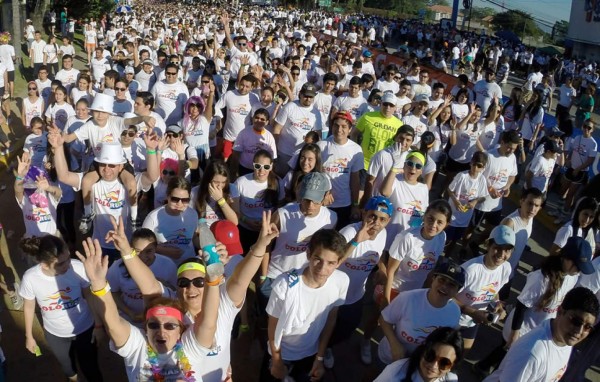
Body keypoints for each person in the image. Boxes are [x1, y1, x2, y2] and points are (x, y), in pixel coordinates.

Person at [75, 225, 221, 382]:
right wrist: (98, 284)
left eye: (170, 326)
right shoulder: (138, 348)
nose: (161, 331)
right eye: (153, 325)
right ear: (145, 328)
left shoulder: (190, 349)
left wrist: (213, 280)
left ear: (181, 330)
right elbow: (114, 325)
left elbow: (208, 324)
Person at [474, 237, 594, 376]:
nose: (579, 271)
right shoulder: (542, 278)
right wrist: (514, 336)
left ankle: (482, 366)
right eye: (578, 266)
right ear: (566, 258)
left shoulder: (571, 276)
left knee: (503, 352)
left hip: (538, 328)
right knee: (506, 364)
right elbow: (521, 306)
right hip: (521, 329)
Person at [261, 229, 350, 382]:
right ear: (308, 254)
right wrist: (276, 361)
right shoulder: (284, 285)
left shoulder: (342, 281)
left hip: (311, 355)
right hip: (281, 355)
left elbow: (330, 320)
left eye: (331, 263)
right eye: (318, 259)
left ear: (339, 262)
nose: (322, 269)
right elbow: (273, 327)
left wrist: (320, 357)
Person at [19, 235, 104, 382]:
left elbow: (89, 296)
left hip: (85, 329)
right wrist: (29, 336)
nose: (68, 265)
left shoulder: (77, 267)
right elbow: (29, 306)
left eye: (68, 259)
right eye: (61, 263)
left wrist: (98, 325)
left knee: (91, 368)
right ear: (45, 265)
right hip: (55, 335)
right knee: (68, 368)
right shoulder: (30, 278)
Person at [483, 287, 599, 382]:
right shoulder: (532, 354)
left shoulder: (565, 339)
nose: (579, 331)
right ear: (560, 312)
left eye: (588, 327)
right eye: (576, 322)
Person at [261, 172, 337, 300]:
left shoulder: (331, 219)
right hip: (276, 275)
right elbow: (265, 246)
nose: (310, 206)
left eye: (316, 201)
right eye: (307, 199)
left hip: (304, 278)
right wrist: (263, 276)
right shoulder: (282, 214)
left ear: (326, 196)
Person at [378, 258, 464, 365]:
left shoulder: (454, 312)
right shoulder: (408, 298)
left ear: (458, 290)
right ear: (433, 279)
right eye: (441, 280)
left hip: (421, 363)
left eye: (451, 284)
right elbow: (384, 320)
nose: (444, 287)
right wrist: (394, 344)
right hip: (391, 354)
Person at [454, 225, 515, 352]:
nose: (501, 255)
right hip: (451, 318)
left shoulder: (506, 268)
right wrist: (472, 312)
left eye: (507, 250)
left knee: (461, 355)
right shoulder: (470, 270)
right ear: (488, 245)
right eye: (497, 248)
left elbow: (493, 290)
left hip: (472, 322)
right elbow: (446, 296)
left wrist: (497, 303)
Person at [106, 228, 177, 324]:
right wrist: (130, 313)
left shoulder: (168, 264)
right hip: (129, 320)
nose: (143, 256)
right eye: (137, 251)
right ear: (130, 249)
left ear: (156, 248)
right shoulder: (117, 267)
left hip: (159, 321)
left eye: (148, 251)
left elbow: (176, 291)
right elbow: (113, 293)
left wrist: (162, 285)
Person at [317, 111, 364, 228]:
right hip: (322, 202)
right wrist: (324, 193)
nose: (339, 129)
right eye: (336, 125)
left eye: (344, 126)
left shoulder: (356, 150)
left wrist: (355, 205)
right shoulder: (321, 145)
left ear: (350, 129)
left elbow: (355, 180)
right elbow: (316, 174)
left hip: (344, 203)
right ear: (331, 126)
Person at [380, 150, 430, 249]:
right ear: (404, 165)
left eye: (418, 166)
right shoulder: (396, 180)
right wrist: (394, 168)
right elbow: (384, 192)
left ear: (421, 171)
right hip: (388, 239)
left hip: (407, 243)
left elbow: (423, 213)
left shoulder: (424, 188)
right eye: (410, 164)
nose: (413, 168)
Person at [375, 327, 463, 382]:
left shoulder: (451, 379)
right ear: (423, 350)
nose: (433, 366)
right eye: (430, 355)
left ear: (452, 366)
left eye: (444, 363)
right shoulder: (395, 373)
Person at [142, 177, 198, 261]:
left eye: (185, 200)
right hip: (163, 266)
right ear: (167, 196)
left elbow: (193, 237)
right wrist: (164, 251)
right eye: (175, 199)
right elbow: (141, 244)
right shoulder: (153, 217)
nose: (179, 204)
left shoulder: (192, 214)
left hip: (188, 266)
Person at [273, 82, 323, 177]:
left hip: (301, 156)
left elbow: (318, 134)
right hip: (284, 152)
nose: (308, 99)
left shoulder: (316, 113)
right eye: (306, 96)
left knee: (297, 180)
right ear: (300, 94)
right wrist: (275, 150)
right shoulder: (290, 107)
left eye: (311, 97)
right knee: (279, 177)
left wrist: (311, 141)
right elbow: (277, 129)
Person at [353, 91, 403, 170]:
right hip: (364, 164)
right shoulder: (367, 116)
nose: (388, 107)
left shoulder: (399, 124)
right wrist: (356, 151)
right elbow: (354, 134)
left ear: (395, 107)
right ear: (381, 103)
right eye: (385, 104)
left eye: (391, 105)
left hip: (385, 166)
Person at [191, 159, 240, 227]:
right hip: (204, 231)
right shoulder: (195, 191)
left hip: (224, 230)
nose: (219, 186)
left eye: (223, 182)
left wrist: (220, 200)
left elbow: (235, 221)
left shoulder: (232, 188)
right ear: (207, 180)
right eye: (216, 182)